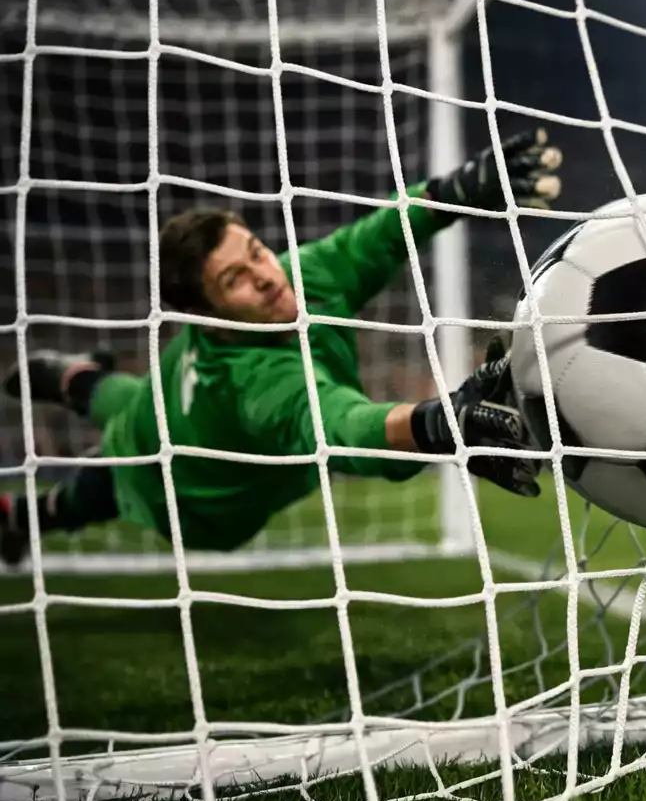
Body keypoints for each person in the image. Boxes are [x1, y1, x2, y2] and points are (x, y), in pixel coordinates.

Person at [0, 129, 561, 566]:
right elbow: (343, 426)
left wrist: (452, 194)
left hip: (166, 393)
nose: (266, 275)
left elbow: (378, 237)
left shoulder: (298, 275)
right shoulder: (258, 384)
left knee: (125, 399)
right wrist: (435, 424)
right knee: (103, 482)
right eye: (233, 280)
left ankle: (64, 376)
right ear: (207, 316)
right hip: (183, 491)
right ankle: (21, 514)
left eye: (256, 251)